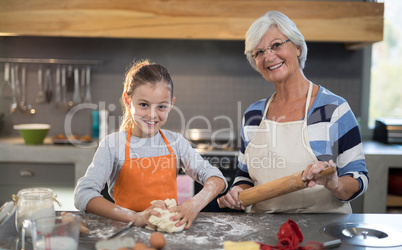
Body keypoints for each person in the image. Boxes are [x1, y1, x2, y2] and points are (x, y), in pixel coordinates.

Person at [218, 11, 368, 213]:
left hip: (322, 233)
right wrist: (237, 190)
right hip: (264, 232)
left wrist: (335, 184)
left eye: (276, 45)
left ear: (297, 47)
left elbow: (359, 179)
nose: (269, 56)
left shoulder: (334, 109)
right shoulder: (253, 115)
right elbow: (245, 176)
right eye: (259, 52)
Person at [74, 59, 227, 229]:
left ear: (171, 104)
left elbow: (217, 178)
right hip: (126, 233)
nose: (152, 115)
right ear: (127, 100)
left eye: (161, 106)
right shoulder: (113, 145)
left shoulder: (176, 143)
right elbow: (83, 194)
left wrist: (193, 205)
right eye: (144, 105)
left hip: (167, 235)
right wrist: (136, 217)